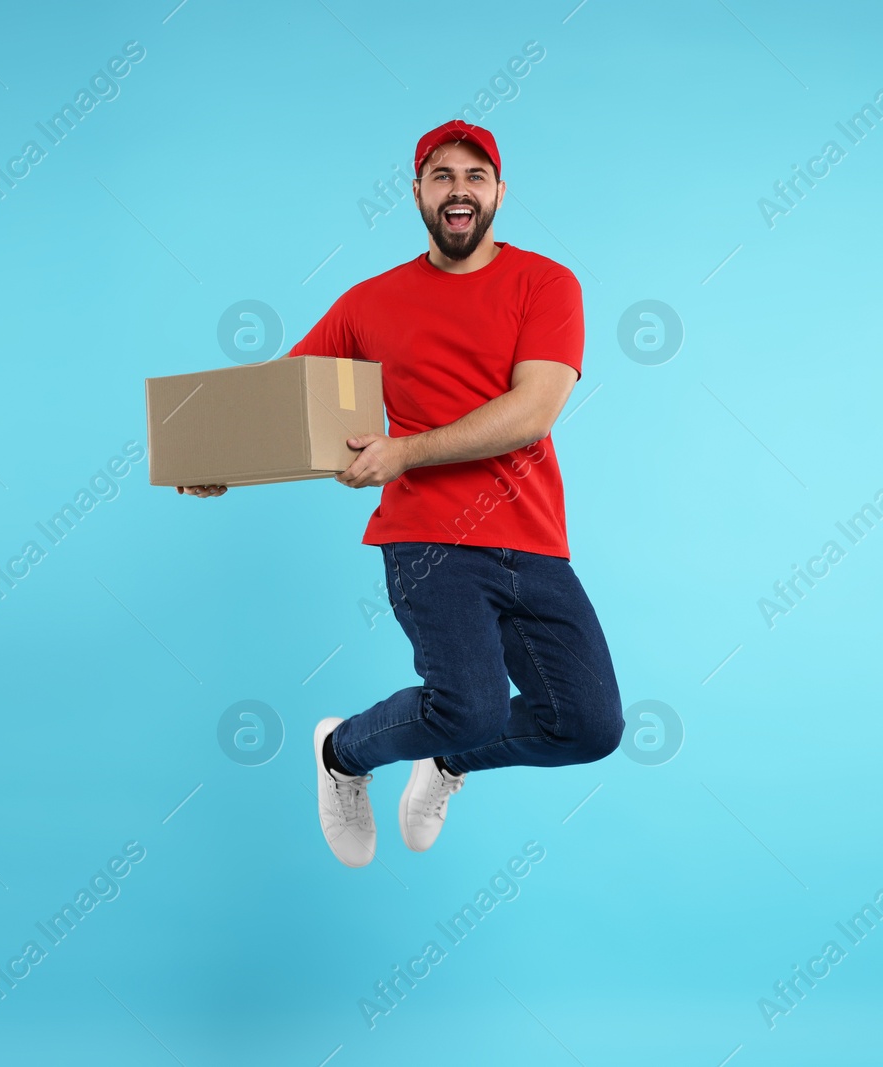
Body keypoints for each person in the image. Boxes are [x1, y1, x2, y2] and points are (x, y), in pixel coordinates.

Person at [179, 120, 624, 867]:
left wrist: (404, 450)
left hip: (534, 537)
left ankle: (451, 759)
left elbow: (533, 411)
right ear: (418, 193)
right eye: (442, 175)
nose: (460, 189)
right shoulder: (370, 302)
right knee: (470, 705)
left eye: (475, 176)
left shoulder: (547, 283)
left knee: (588, 725)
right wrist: (218, 457)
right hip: (428, 539)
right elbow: (289, 399)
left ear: (499, 195)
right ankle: (341, 753)